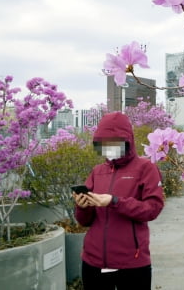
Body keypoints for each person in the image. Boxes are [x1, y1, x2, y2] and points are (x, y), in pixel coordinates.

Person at [73, 112, 164, 290]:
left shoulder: (146, 168)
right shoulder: (97, 171)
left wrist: (115, 201)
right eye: (103, 144)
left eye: (113, 142)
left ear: (127, 140)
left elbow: (152, 209)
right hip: (93, 262)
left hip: (132, 263)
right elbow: (84, 221)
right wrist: (82, 207)